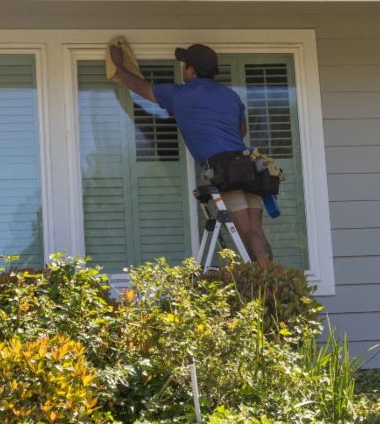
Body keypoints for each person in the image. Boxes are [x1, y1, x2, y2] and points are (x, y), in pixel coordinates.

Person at [109, 42, 273, 263]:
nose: (183, 69)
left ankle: (263, 287)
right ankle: (273, 283)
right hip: (248, 166)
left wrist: (119, 68)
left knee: (246, 233)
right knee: (256, 230)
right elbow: (240, 131)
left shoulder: (179, 94)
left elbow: (140, 87)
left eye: (184, 65)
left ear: (192, 70)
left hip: (226, 170)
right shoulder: (230, 95)